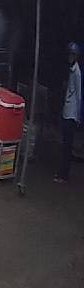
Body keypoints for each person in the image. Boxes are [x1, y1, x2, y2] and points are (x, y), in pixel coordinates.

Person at [55, 41, 81, 183]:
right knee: (64, 144)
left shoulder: (76, 73)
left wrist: (78, 117)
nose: (70, 57)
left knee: (67, 146)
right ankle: (61, 172)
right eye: (69, 54)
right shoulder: (70, 70)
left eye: (73, 55)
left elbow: (79, 95)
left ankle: (64, 175)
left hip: (72, 114)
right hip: (66, 111)